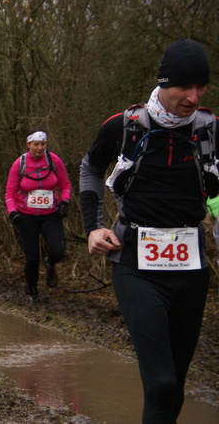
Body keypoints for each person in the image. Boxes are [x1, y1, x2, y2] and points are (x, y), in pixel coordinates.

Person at [79, 38, 217, 424]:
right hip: (136, 264)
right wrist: (93, 227)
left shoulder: (210, 130)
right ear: (163, 82)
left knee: (175, 384)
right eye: (183, 87)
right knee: (159, 383)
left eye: (201, 87)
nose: (193, 96)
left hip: (192, 267)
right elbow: (90, 169)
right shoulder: (125, 125)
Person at [5, 128, 71, 301]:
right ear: (28, 144)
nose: (40, 148)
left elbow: (65, 185)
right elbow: (10, 193)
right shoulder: (19, 164)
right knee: (32, 256)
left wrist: (64, 202)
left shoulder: (54, 160)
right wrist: (12, 212)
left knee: (58, 250)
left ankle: (50, 263)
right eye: (36, 144)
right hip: (26, 216)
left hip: (51, 214)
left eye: (43, 144)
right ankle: (31, 289)